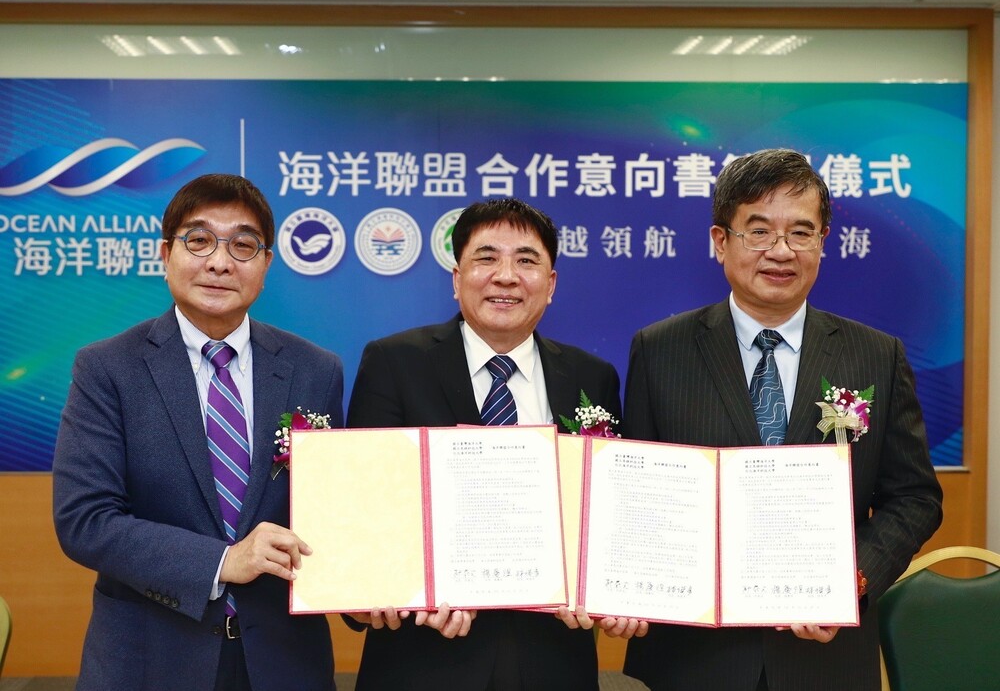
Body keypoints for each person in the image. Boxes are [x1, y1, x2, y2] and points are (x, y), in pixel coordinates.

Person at [621, 148, 943, 691]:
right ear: (721, 241)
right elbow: (634, 495)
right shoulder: (660, 350)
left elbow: (914, 497)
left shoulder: (876, 355)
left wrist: (852, 578)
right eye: (758, 231)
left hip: (824, 656)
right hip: (692, 657)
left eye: (801, 232)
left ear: (823, 242)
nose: (780, 251)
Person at [52, 174, 344, 691]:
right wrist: (223, 561)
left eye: (243, 245)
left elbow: (336, 513)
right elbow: (85, 520)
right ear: (166, 254)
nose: (219, 262)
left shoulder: (315, 370)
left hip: (283, 662)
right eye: (199, 240)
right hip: (150, 660)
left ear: (266, 264)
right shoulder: (107, 368)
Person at [345, 198, 625, 690]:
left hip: (554, 661)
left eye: (526, 260)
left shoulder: (592, 377)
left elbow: (611, 516)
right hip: (424, 663)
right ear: (457, 279)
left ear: (552, 284)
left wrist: (612, 593)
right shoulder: (394, 363)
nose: (506, 276)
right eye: (486, 257)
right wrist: (387, 592)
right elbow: (364, 509)